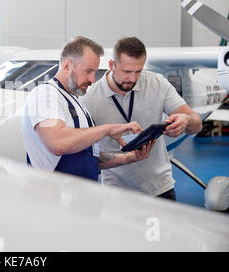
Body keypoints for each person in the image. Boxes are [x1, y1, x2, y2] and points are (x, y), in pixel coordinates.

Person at [82, 37, 202, 200]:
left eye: (138, 71)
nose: (132, 78)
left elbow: (196, 123)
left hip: (160, 187)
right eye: (126, 71)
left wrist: (186, 122)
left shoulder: (157, 83)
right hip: (115, 191)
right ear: (111, 65)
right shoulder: (89, 99)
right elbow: (83, 152)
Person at [21, 36, 154, 181]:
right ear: (67, 66)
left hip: (78, 197)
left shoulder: (76, 102)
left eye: (94, 72)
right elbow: (57, 143)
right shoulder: (45, 94)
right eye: (88, 71)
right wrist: (107, 129)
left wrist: (128, 158)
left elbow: (89, 156)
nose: (92, 79)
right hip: (53, 198)